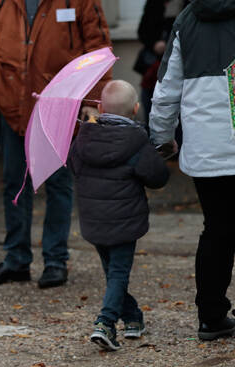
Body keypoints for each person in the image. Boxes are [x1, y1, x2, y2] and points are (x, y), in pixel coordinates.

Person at [150, 0, 235, 347]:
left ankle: (211, 317)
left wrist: (162, 138)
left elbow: (167, 87)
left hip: (205, 147)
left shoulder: (187, 17)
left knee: (216, 231)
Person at [0, 0, 112, 288]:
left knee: (58, 183)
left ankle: (55, 260)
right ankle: (16, 260)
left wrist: (90, 101)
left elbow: (98, 48)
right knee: (14, 181)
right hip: (12, 101)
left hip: (58, 106)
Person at [68, 80, 169, 351]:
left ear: (100, 107)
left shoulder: (84, 137)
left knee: (113, 273)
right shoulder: (136, 140)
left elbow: (73, 165)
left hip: (93, 219)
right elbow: (157, 177)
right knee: (118, 273)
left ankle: (133, 318)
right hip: (124, 219)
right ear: (136, 109)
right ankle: (105, 323)